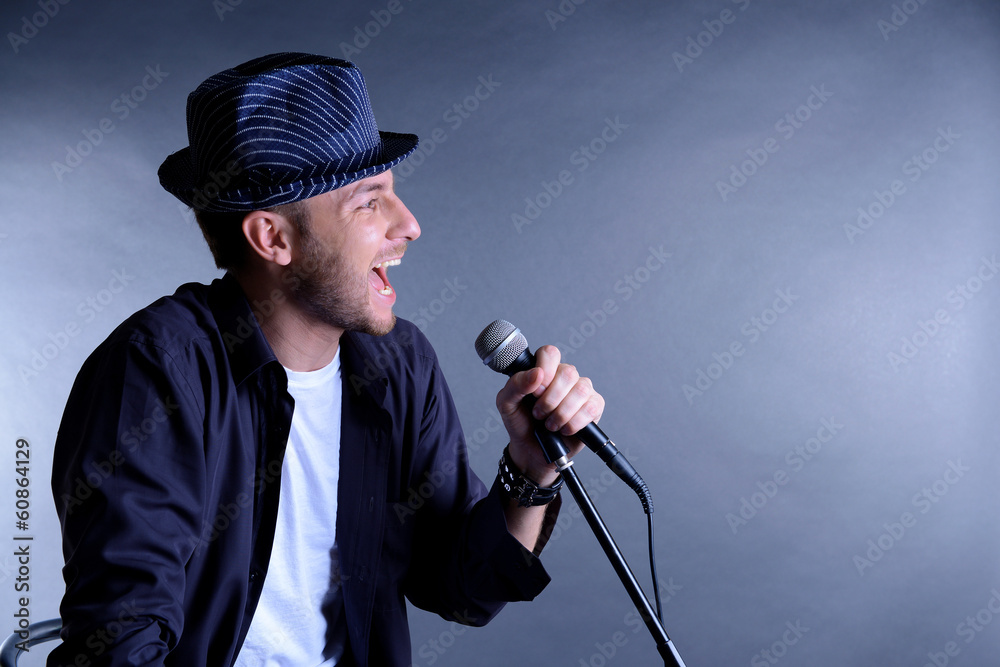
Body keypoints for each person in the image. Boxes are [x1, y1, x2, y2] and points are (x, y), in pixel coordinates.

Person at [48, 52, 604, 666]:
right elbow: (118, 646)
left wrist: (530, 471)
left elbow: (461, 591)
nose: (410, 224)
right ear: (273, 238)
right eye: (369, 202)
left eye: (393, 193)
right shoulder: (158, 371)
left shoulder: (399, 362)